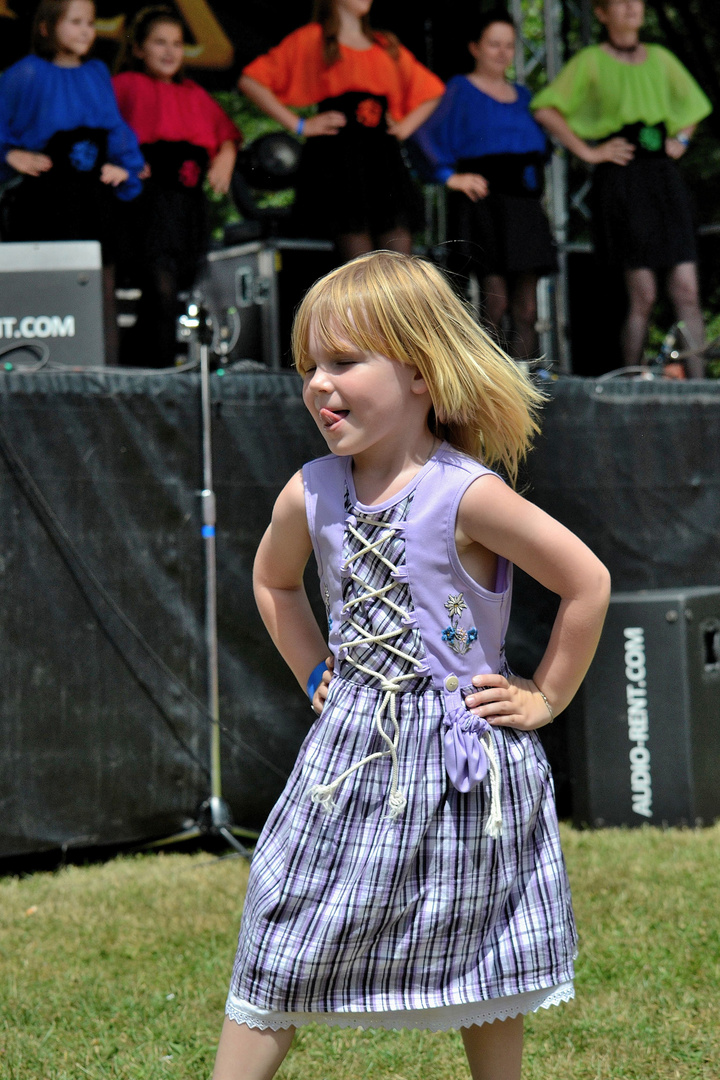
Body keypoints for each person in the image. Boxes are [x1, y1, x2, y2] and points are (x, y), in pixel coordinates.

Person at [212, 251, 611, 1080]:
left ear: (423, 374)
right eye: (308, 366)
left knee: (482, 943)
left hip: (463, 763)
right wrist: (318, 674)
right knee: (281, 921)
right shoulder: (311, 492)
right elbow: (272, 580)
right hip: (350, 756)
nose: (319, 384)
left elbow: (586, 582)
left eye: (345, 362)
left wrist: (544, 696)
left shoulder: (465, 493)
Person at [532, 0, 712, 376]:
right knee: (642, 294)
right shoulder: (591, 61)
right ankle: (629, 387)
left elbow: (695, 106)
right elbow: (546, 108)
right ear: (601, 13)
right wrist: (589, 152)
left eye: (637, 1)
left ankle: (704, 393)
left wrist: (681, 139)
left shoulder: (661, 58)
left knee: (686, 290)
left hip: (663, 177)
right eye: (621, 1)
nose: (632, 7)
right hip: (623, 179)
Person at [237, 0, 444, 263]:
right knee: (358, 264)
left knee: (399, 260)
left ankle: (395, 306)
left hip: (383, 159)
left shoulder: (385, 44)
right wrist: (300, 124)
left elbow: (432, 91)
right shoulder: (313, 38)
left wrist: (404, 127)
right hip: (341, 160)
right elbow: (251, 81)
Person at [0, 0, 144, 362]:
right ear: (47, 27)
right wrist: (9, 153)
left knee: (100, 285)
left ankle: (105, 377)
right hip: (44, 198)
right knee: (43, 285)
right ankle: (41, 371)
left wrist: (125, 166)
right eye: (75, 21)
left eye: (91, 23)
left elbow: (114, 127)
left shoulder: (96, 72)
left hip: (94, 199)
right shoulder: (24, 73)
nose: (85, 30)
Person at [413, 8, 556, 360]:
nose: (503, 52)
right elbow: (421, 132)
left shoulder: (524, 97)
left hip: (524, 206)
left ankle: (528, 385)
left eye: (508, 45)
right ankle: (488, 387)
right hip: (485, 205)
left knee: (526, 308)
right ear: (475, 47)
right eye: (494, 44)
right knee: (494, 301)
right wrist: (449, 176)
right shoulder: (459, 89)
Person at [113, 6, 242, 368]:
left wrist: (227, 155)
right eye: (159, 43)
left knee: (170, 293)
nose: (170, 51)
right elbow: (102, 129)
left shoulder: (194, 93)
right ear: (139, 48)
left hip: (187, 207)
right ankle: (161, 374)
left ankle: (143, 366)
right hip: (146, 208)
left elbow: (226, 133)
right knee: (160, 289)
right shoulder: (126, 86)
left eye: (177, 43)